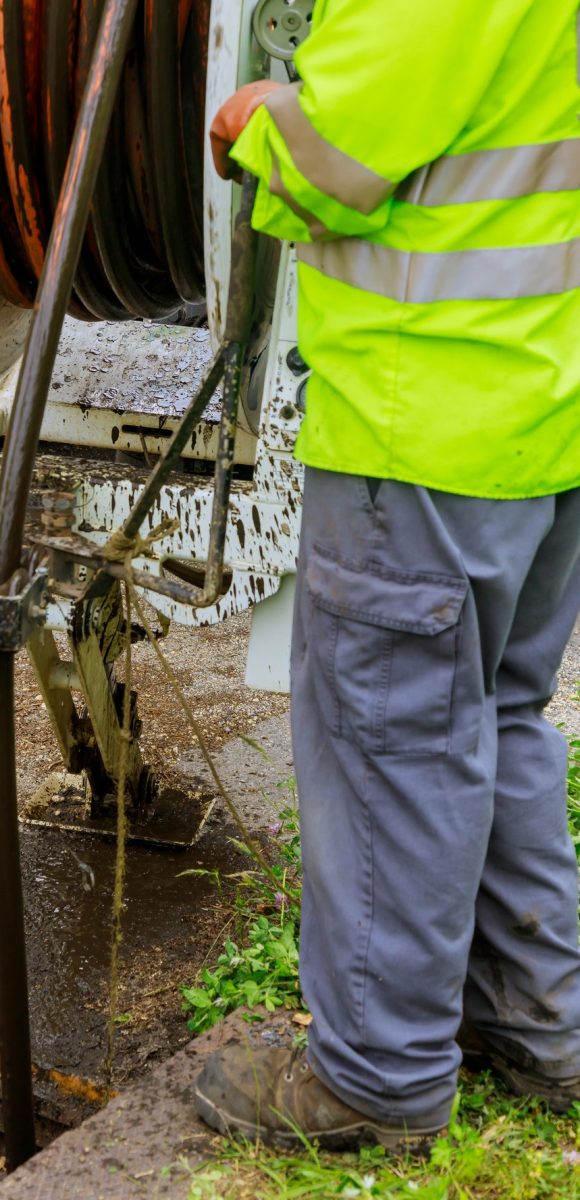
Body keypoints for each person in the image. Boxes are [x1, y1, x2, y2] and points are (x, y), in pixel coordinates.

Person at [194, 0, 580, 1153]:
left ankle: (376, 1081)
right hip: (543, 415)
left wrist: (259, 117)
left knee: (391, 746)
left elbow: (335, 160)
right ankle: (537, 1022)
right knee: (496, 720)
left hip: (422, 426)